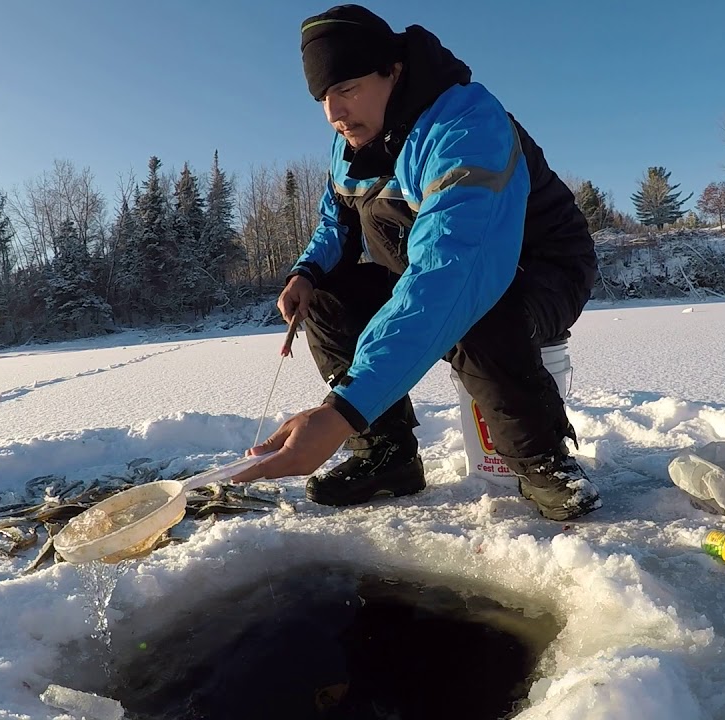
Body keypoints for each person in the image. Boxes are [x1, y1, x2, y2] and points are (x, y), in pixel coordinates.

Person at [231, 4, 600, 521]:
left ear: (394, 71)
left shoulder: (466, 126)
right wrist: (306, 272)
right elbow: (335, 222)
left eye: (349, 87)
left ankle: (543, 462)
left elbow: (453, 274)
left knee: (475, 309)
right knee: (330, 296)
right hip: (431, 268)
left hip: (542, 266)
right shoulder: (352, 141)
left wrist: (340, 414)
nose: (336, 111)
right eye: (323, 97)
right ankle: (387, 455)